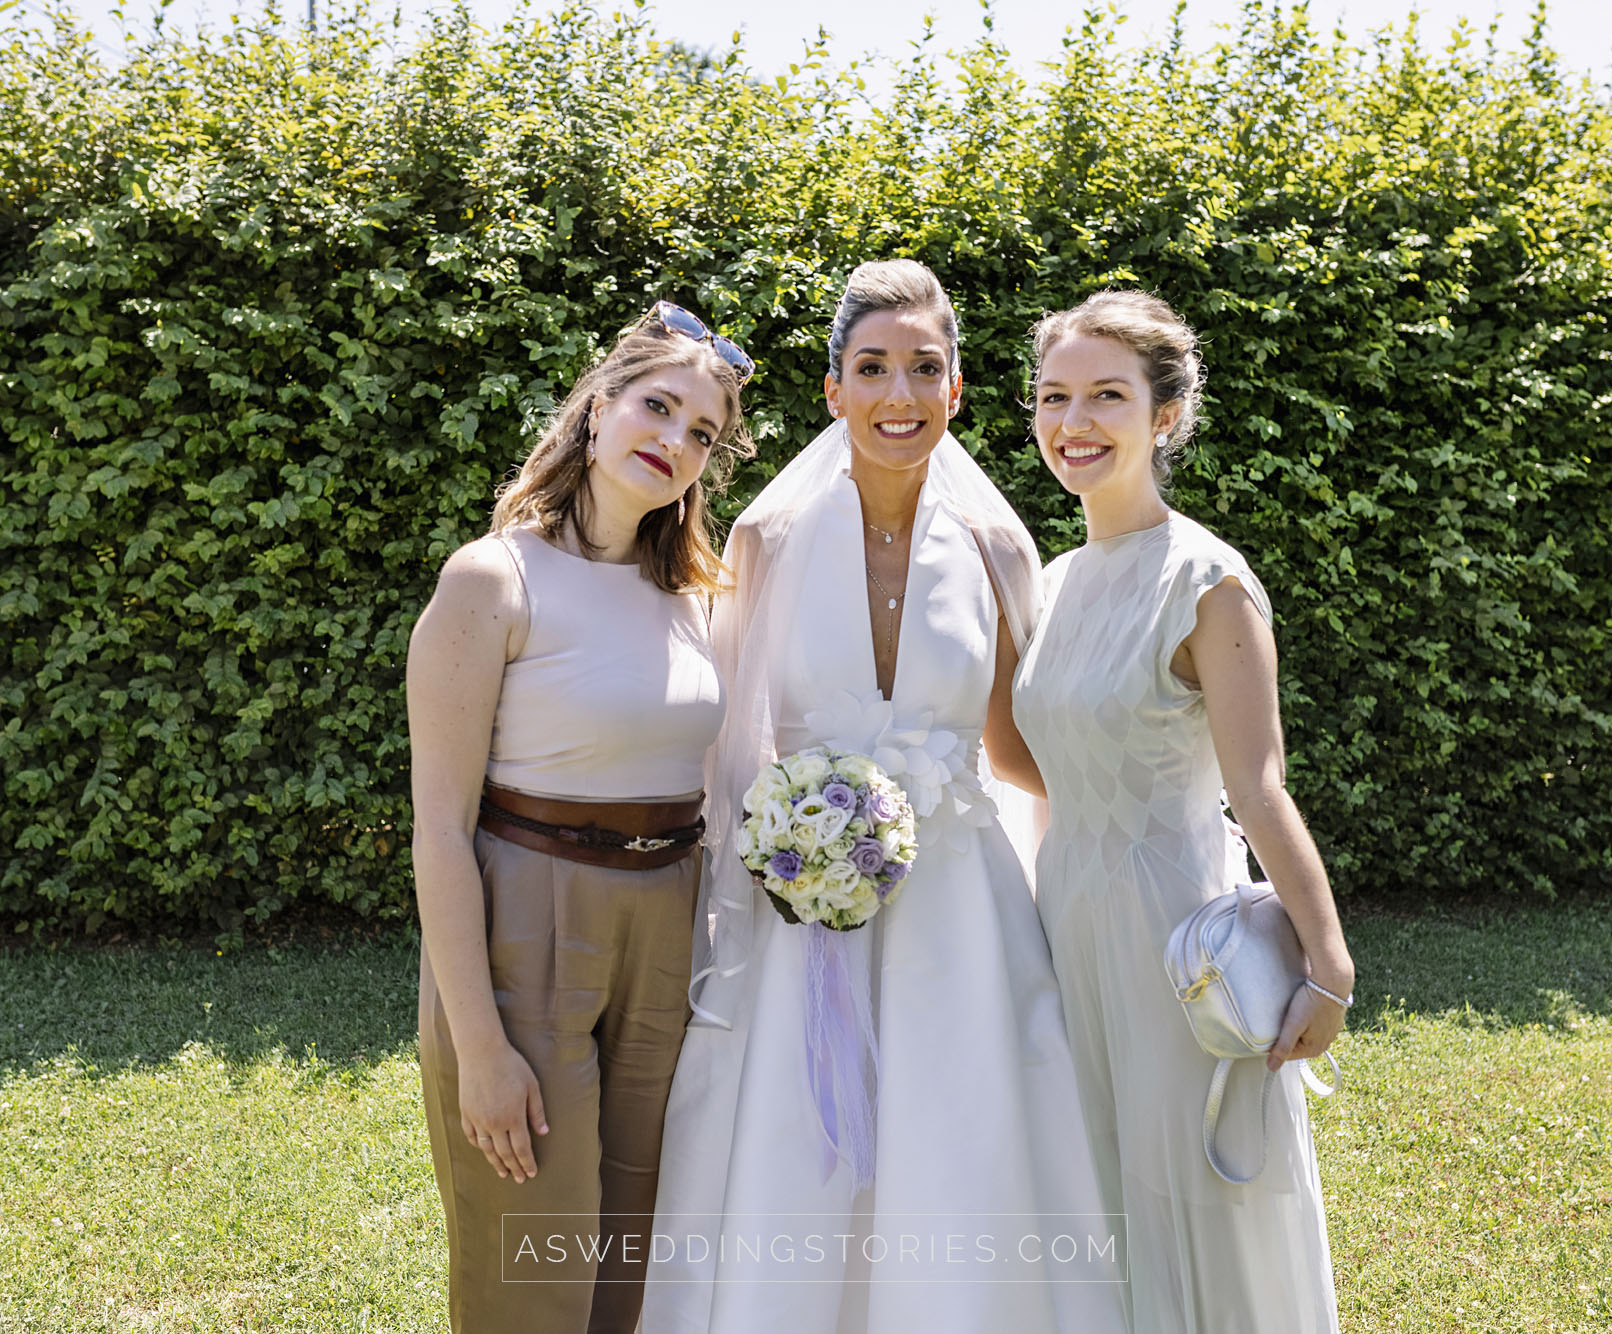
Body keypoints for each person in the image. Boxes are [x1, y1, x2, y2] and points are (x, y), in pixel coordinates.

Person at [643, 260, 1126, 1334]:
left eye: (924, 369)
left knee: (963, 1143)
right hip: (797, 914)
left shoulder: (1001, 548)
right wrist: (771, 862)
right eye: (872, 368)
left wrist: (1138, 818)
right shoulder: (765, 541)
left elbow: (1011, 747)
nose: (897, 396)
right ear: (832, 390)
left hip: (960, 905)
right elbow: (734, 744)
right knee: (798, 1160)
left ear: (956, 390)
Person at [406, 301, 754, 1334]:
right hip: (529, 913)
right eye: (657, 406)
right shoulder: (493, 577)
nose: (674, 441)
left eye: (701, 433)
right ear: (596, 408)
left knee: (640, 1239)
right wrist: (480, 1045)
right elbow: (437, 827)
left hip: (669, 921)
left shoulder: (701, 593)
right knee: (529, 1246)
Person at [1012, 290, 1354, 1332]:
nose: (1073, 421)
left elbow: (1257, 785)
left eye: (1105, 395)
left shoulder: (1208, 580)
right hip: (1061, 915)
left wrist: (1326, 966)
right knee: (1090, 1179)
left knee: (1190, 1190)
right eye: (1053, 396)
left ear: (1162, 415)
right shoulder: (1053, 579)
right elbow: (1050, 763)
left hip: (1174, 928)